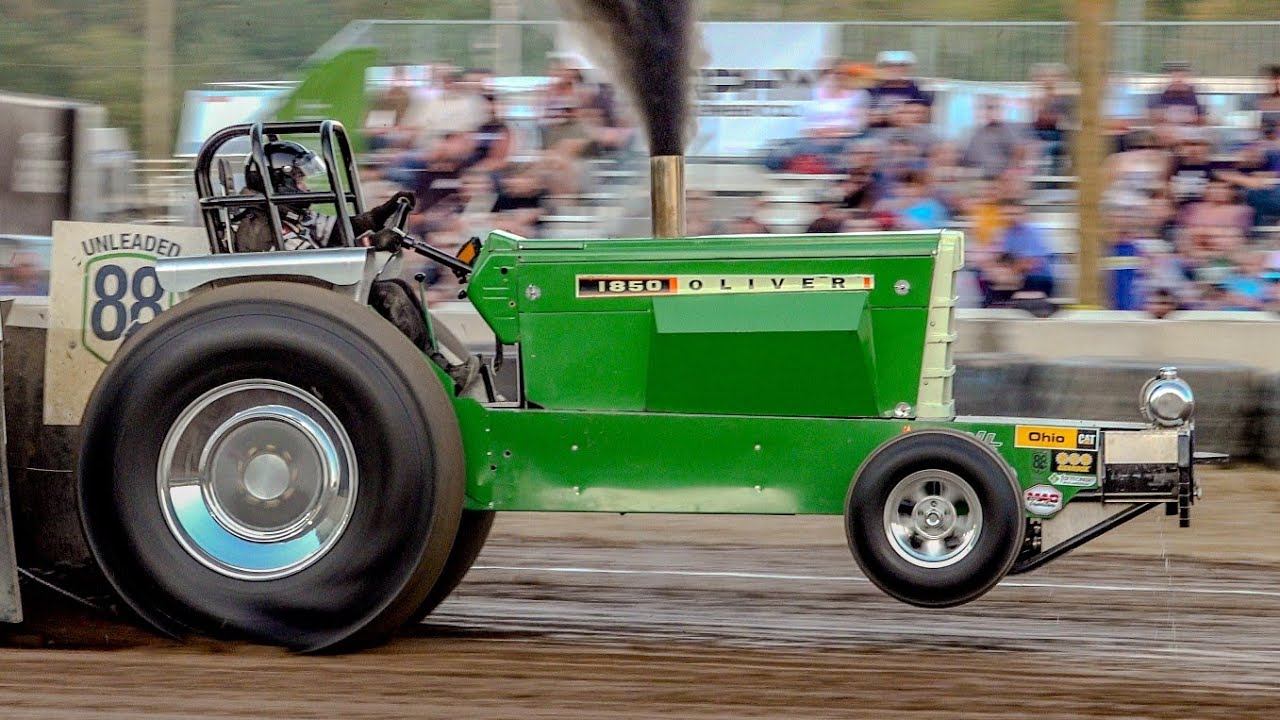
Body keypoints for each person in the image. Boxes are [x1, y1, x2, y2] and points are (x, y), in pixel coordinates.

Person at [232, 140, 479, 389]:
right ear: (280, 182)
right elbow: (314, 264)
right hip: (296, 309)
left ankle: (437, 365)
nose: (305, 187)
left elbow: (337, 230)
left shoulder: (284, 213)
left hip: (309, 297)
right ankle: (431, 376)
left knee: (398, 285)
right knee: (390, 294)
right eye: (299, 180)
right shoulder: (260, 227)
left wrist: (380, 214)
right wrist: (373, 241)